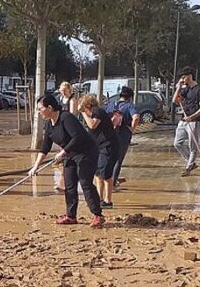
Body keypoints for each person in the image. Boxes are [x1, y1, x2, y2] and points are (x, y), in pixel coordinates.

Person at [30, 94, 105, 228]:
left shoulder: (66, 118)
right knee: (69, 185)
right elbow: (45, 148)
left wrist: (62, 152)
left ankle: (97, 215)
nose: (39, 112)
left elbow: (77, 137)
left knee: (85, 182)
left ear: (50, 107)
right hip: (70, 154)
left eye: (40, 108)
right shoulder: (48, 125)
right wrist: (35, 166)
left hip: (86, 152)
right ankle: (71, 216)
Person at [79, 94, 119, 207]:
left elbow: (92, 125)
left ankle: (108, 200)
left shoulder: (97, 111)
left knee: (106, 173)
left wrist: (82, 113)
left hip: (109, 146)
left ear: (87, 106)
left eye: (84, 109)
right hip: (100, 147)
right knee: (98, 173)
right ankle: (99, 198)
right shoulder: (94, 114)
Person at [172, 67, 200, 176]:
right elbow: (175, 101)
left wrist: (192, 117)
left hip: (194, 121)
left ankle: (188, 167)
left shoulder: (199, 90)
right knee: (177, 143)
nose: (183, 80)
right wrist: (178, 88)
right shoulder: (186, 89)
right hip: (184, 120)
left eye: (184, 77)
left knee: (193, 146)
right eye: (181, 78)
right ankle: (190, 162)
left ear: (190, 76)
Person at [107, 86, 140, 187]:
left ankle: (108, 180)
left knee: (109, 159)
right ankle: (113, 182)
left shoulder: (111, 104)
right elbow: (136, 117)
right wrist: (132, 128)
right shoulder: (130, 106)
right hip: (123, 136)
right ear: (130, 97)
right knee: (118, 160)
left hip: (109, 135)